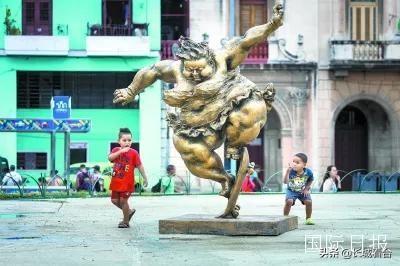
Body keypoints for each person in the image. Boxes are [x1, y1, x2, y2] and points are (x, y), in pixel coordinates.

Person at [113, 4, 284, 215]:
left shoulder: (223, 58)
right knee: (189, 151)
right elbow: (151, 71)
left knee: (250, 110)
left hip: (231, 101)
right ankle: (225, 179)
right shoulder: (176, 69)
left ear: (210, 61)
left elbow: (248, 39)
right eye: (189, 70)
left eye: (200, 69)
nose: (193, 75)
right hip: (197, 121)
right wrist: (131, 91)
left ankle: (235, 146)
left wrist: (272, 24)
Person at [108, 128, 148, 228]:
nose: (127, 142)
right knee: (114, 201)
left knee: (123, 201)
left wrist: (145, 178)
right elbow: (110, 158)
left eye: (129, 140)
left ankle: (125, 222)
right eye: (124, 140)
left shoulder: (134, 153)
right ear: (119, 141)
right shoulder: (115, 150)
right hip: (116, 181)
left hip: (127, 182)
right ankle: (128, 212)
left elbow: (140, 166)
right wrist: (120, 152)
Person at [283, 153, 315, 225]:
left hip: (302, 190)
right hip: (291, 191)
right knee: (289, 201)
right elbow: (285, 182)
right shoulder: (291, 171)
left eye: (297, 162)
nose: (294, 164)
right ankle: (284, 218)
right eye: (293, 162)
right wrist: (287, 172)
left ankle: (308, 218)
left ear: (304, 165)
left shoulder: (308, 172)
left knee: (309, 202)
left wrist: (306, 189)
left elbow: (310, 180)